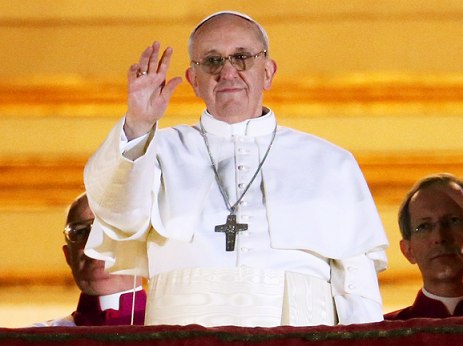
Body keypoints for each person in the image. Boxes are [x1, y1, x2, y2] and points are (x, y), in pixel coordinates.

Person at [83, 10, 388, 327]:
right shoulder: (154, 150)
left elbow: (356, 284)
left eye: (242, 57)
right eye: (212, 61)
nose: (227, 72)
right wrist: (138, 123)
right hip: (182, 331)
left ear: (268, 72)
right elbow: (118, 217)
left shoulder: (330, 163)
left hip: (300, 332)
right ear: (194, 80)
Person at [384, 173, 463, 320]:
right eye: (424, 226)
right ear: (408, 250)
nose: (439, 237)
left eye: (454, 220)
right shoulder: (380, 337)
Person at [33, 193, 146, 326]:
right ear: (68, 256)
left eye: (109, 229)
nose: (93, 243)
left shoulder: (173, 334)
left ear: (143, 248)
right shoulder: (35, 339)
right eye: (79, 232)